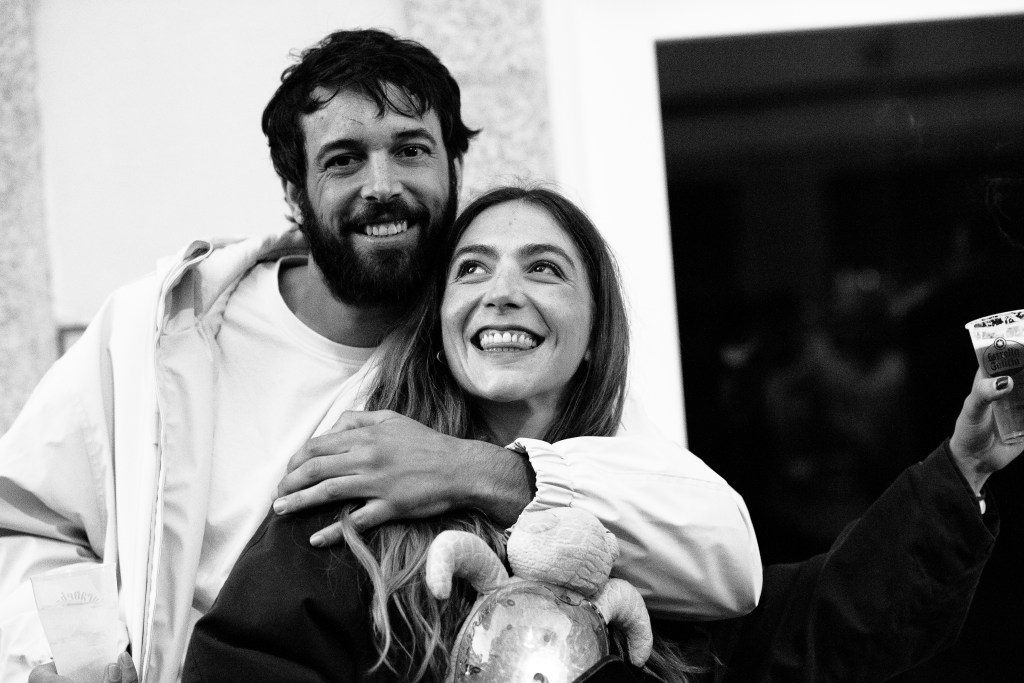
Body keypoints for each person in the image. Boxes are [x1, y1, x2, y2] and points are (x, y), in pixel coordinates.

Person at [0, 29, 761, 683]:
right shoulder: (160, 331)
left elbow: (712, 546)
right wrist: (81, 655)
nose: (383, 185)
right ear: (293, 189)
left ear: (453, 168)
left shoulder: (493, 356)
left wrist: (469, 467)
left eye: (411, 150)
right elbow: (29, 520)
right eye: (343, 160)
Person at [183, 186, 716, 682]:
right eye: (472, 268)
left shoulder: (652, 531)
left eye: (544, 268)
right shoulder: (351, 498)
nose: (502, 293)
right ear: (439, 327)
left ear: (597, 333)